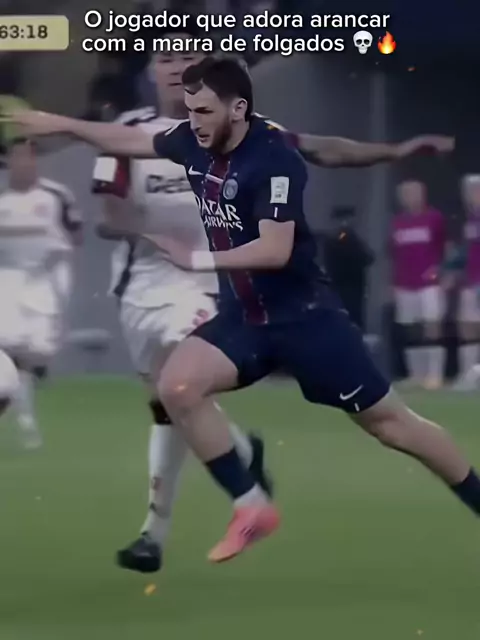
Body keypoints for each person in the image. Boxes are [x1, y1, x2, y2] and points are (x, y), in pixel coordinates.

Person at [9, 58, 473, 568]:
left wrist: (196, 259)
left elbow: (275, 249)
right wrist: (61, 124)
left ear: (238, 109)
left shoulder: (274, 158)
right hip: (245, 318)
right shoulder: (192, 139)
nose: (193, 122)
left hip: (304, 319)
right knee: (177, 387)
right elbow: (127, 141)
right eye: (190, 112)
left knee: (393, 426)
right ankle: (251, 505)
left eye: (204, 111)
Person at [91, 32, 270, 574]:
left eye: (187, 58)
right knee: (166, 405)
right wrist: (145, 231)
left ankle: (155, 534)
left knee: (179, 387)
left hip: (208, 285)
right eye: (165, 58)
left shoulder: (235, 132)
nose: (175, 68)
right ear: (151, 69)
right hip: (141, 287)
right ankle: (242, 454)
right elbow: (107, 218)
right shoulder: (126, 134)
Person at [0, 137, 82, 448]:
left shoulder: (55, 196)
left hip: (46, 278)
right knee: (11, 348)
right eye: (16, 157)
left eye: (27, 157)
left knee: (39, 349)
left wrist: (59, 263)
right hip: (9, 279)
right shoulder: (3, 201)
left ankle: (28, 382)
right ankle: (25, 419)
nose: (22, 163)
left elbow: (76, 233)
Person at [389, 180, 447, 389]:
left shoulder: (434, 218)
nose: (410, 198)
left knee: (432, 326)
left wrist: (440, 270)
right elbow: (394, 255)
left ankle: (435, 374)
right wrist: (393, 282)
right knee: (410, 328)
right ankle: (416, 374)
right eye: (405, 194)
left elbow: (445, 246)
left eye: (414, 193)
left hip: (428, 283)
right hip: (405, 283)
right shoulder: (397, 222)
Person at [322, 206, 374, 331]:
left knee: (354, 317)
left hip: (354, 286)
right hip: (342, 285)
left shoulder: (353, 239)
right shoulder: (336, 240)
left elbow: (368, 257)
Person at [452, 174, 480, 389]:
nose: (470, 196)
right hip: (470, 281)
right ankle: (468, 373)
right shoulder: (471, 219)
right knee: (467, 328)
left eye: (474, 191)